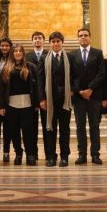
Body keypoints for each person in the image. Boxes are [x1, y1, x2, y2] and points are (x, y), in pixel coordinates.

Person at [69, 27, 105, 165]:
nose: (83, 37)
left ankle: (95, 154)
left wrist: (90, 89)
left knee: (94, 126)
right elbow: (71, 76)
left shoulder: (98, 53)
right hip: (79, 97)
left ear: (90, 37)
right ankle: (82, 154)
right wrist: (79, 91)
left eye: (85, 35)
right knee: (80, 126)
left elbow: (101, 73)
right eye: (80, 35)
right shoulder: (72, 55)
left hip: (94, 96)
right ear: (77, 38)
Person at [0, 44, 38, 166]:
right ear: (12, 53)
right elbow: (1, 88)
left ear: (23, 53)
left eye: (20, 51)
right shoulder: (6, 68)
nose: (18, 53)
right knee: (14, 131)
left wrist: (36, 102)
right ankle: (18, 153)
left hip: (27, 103)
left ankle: (30, 154)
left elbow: (36, 87)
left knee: (28, 131)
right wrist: (1, 106)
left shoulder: (31, 67)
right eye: (15, 51)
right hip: (11, 104)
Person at [37, 31, 72, 167]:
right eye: (53, 41)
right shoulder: (44, 59)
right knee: (50, 130)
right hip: (49, 100)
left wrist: (72, 91)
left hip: (64, 100)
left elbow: (74, 76)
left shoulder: (69, 57)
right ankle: (51, 156)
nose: (56, 44)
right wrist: (41, 99)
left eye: (58, 41)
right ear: (50, 43)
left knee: (64, 129)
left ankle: (64, 157)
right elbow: (40, 80)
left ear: (62, 42)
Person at [25, 31, 48, 160]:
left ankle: (48, 153)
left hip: (46, 96)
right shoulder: (27, 56)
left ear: (43, 41)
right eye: (35, 38)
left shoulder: (49, 54)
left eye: (40, 38)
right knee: (31, 127)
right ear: (32, 41)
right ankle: (32, 153)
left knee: (47, 127)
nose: (37, 40)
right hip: (31, 96)